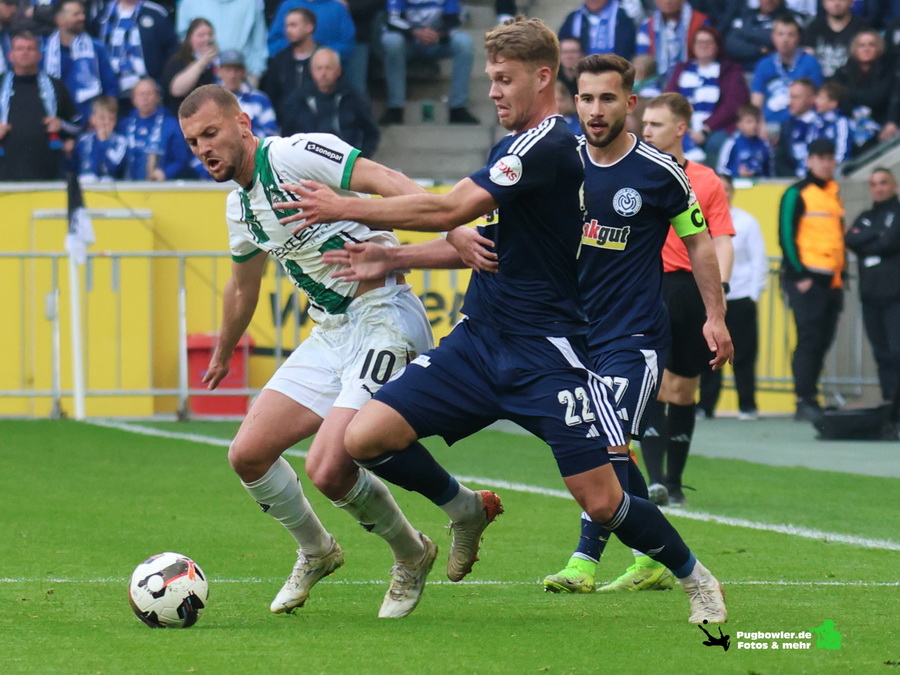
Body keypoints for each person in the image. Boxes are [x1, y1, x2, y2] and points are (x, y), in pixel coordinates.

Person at [278, 18, 728, 624]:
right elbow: (481, 241)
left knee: (604, 501)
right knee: (364, 438)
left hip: (547, 356)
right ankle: (464, 509)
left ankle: (695, 577)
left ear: (542, 78)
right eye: (489, 78)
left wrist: (343, 205)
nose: (491, 91)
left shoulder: (546, 145)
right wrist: (395, 256)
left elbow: (450, 209)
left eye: (503, 79)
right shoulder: (519, 147)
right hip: (479, 342)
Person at [178, 83, 441, 620]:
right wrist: (223, 350)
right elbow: (243, 286)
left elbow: (386, 180)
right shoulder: (238, 206)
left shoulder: (294, 154)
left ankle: (412, 553)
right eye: (192, 142)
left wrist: (446, 224)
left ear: (243, 124)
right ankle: (318, 550)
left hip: (383, 316)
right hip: (331, 332)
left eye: (210, 133)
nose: (203, 148)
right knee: (247, 455)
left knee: (328, 466)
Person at [542, 54, 732, 595]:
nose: (595, 110)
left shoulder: (660, 171)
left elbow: (700, 243)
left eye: (607, 98)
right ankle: (649, 557)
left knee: (602, 446)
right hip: (574, 336)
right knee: (610, 448)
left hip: (634, 336)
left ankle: (583, 563)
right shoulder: (560, 161)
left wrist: (715, 316)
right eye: (585, 98)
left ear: (629, 103)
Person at [635, 92, 735, 507]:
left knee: (683, 388)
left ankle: (674, 483)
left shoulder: (706, 180)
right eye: (645, 123)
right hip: (645, 284)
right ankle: (654, 480)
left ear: (680, 129)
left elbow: (721, 239)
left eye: (655, 124)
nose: (645, 130)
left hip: (687, 288)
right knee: (651, 382)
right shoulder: (632, 171)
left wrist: (718, 293)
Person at [778, 137, 845, 422]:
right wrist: (799, 274)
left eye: (830, 158)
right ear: (809, 160)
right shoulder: (796, 192)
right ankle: (803, 399)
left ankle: (811, 397)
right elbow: (785, 234)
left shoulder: (833, 193)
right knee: (809, 339)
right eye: (821, 158)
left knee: (822, 340)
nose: (826, 163)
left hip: (831, 281)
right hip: (807, 280)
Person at [698, 174, 769, 419]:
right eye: (719, 189)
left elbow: (758, 259)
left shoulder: (747, 222)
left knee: (744, 353)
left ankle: (747, 405)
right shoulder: (699, 221)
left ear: (732, 192)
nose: (723, 193)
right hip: (709, 299)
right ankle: (705, 405)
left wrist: (753, 295)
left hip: (740, 297)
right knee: (709, 353)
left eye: (727, 189)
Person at [844, 168, 900, 403]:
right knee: (881, 352)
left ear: (894, 185)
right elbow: (850, 239)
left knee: (897, 352)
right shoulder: (866, 215)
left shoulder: (896, 213)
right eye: (874, 184)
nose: (879, 188)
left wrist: (869, 239)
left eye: (883, 183)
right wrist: (877, 233)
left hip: (895, 296)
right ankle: (889, 401)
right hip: (870, 295)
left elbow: (889, 241)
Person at [379, 0, 479, 126]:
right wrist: (415, 32)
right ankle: (395, 108)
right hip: (408, 41)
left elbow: (454, 19)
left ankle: (458, 107)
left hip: (438, 39)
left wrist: (438, 34)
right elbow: (392, 19)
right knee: (391, 41)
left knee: (465, 43)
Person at [664, 25, 749, 167]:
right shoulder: (681, 69)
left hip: (717, 127)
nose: (703, 46)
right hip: (684, 126)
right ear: (693, 46)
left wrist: (706, 129)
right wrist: (685, 127)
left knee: (715, 143)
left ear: (717, 46)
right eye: (699, 42)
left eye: (708, 42)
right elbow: (669, 100)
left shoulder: (730, 70)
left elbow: (732, 105)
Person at [0, 30, 79, 180]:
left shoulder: (56, 86)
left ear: (39, 55)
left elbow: (77, 126)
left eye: (30, 49)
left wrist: (61, 125)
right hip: (4, 171)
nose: (25, 53)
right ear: (11, 55)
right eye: (20, 49)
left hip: (48, 171)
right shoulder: (0, 84)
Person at [280, 47, 379, 157]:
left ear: (338, 71)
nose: (323, 73)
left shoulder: (354, 98)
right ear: (311, 71)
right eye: (319, 68)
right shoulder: (297, 101)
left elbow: (371, 133)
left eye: (328, 68)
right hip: (308, 162)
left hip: (346, 161)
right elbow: (287, 136)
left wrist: (359, 159)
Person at [92, 0, 178, 111]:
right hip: (112, 94)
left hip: (149, 93)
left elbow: (172, 51)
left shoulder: (156, 13)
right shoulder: (102, 15)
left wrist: (159, 83)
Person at [44, 0, 119, 123]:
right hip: (55, 120)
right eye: (76, 14)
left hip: (91, 120)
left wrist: (103, 117)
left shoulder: (96, 49)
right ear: (60, 20)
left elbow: (110, 87)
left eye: (82, 13)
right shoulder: (45, 52)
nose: (82, 17)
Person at [751, 15, 824, 137]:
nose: (785, 40)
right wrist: (759, 125)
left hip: (800, 124)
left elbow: (815, 100)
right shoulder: (764, 64)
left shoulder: (810, 62)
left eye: (790, 35)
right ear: (773, 37)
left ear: (798, 38)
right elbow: (756, 102)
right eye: (780, 34)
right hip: (768, 125)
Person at [830, 30, 900, 153]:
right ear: (854, 49)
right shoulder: (843, 73)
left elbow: (883, 97)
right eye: (861, 45)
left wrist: (892, 122)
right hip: (853, 128)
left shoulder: (890, 70)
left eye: (871, 45)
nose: (866, 49)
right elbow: (839, 100)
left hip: (884, 123)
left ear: (879, 48)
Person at [176, 0, 268, 86]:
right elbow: (183, 42)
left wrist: (255, 75)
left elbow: (259, 44)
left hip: (241, 79)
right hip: (199, 78)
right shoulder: (189, 3)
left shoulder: (252, 2)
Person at [120, 77, 189, 180]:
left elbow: (181, 159)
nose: (145, 98)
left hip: (161, 185)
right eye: (141, 94)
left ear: (157, 97)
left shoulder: (171, 125)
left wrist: (166, 173)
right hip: (126, 185)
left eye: (149, 94)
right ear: (133, 99)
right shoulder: (124, 125)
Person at [263, 7, 318, 120]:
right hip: (285, 125)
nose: (288, 30)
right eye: (287, 26)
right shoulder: (280, 59)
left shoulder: (323, 57)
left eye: (293, 25)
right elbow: (271, 94)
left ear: (309, 27)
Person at [635, 0, 709, 80]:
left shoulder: (700, 22)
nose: (668, 1)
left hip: (692, 78)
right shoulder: (647, 26)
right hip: (655, 80)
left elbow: (707, 57)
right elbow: (642, 58)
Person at [724, 0, 803, 71]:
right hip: (741, 70)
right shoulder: (746, 16)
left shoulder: (790, 17)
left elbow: (771, 40)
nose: (769, 1)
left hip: (775, 70)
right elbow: (731, 43)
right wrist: (759, 50)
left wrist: (745, 33)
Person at [268, 0, 355, 64]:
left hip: (327, 74)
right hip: (290, 71)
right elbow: (273, 43)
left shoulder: (338, 8)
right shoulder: (287, 5)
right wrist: (299, 53)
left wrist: (322, 55)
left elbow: (348, 44)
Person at [161, 17, 218, 114]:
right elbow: (177, 90)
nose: (207, 39)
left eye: (210, 34)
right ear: (190, 38)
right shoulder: (178, 61)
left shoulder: (220, 60)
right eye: (201, 35)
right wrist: (202, 61)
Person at [218, 49, 279, 139]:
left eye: (237, 70)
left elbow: (272, 133)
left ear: (244, 72)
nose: (232, 75)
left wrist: (243, 136)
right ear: (219, 72)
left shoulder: (260, 99)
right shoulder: (211, 100)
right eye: (228, 70)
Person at [802, 0, 869, 78]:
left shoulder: (861, 27)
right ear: (824, 3)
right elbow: (808, 58)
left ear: (851, 2)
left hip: (852, 80)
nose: (836, 3)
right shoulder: (814, 27)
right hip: (819, 81)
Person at [557, 0, 637, 60]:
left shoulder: (623, 16)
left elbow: (628, 49)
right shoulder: (573, 17)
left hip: (615, 70)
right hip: (580, 72)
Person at [74, 95, 127, 181]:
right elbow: (75, 165)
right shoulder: (83, 140)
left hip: (109, 184)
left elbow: (114, 167)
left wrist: (104, 142)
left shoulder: (120, 142)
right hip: (85, 182)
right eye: (102, 118)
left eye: (111, 119)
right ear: (93, 119)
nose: (106, 122)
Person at [774, 77, 818, 177]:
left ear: (812, 99)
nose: (790, 102)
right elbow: (780, 160)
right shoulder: (787, 126)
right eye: (790, 97)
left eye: (796, 97)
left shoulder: (823, 124)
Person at [717, 103, 773, 178]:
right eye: (749, 122)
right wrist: (737, 173)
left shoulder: (765, 144)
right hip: (737, 183)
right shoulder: (732, 143)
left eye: (757, 121)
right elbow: (721, 169)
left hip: (760, 184)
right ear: (739, 124)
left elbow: (770, 172)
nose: (754, 125)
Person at [811, 81, 851, 164]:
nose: (816, 101)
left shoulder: (841, 122)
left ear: (833, 103)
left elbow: (842, 151)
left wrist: (832, 167)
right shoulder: (816, 123)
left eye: (821, 98)